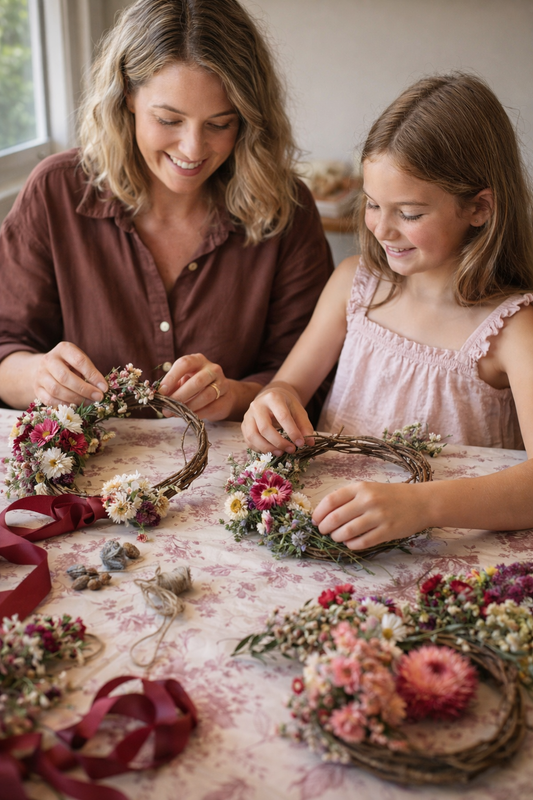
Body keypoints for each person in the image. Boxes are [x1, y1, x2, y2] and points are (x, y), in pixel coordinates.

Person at [242, 73, 533, 551]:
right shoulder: (353, 285)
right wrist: (271, 402)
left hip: (441, 555)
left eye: (411, 213)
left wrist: (420, 506)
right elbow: (287, 386)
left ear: (479, 208)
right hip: (331, 539)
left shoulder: (512, 330)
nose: (382, 228)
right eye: (373, 204)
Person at [0, 0, 332, 418]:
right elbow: (6, 347)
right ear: (127, 97)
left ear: (248, 120)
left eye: (220, 123)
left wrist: (236, 396)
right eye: (169, 120)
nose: (193, 149)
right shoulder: (57, 192)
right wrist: (38, 376)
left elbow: (314, 382)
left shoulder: (287, 210)